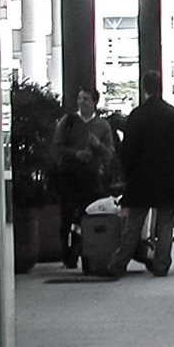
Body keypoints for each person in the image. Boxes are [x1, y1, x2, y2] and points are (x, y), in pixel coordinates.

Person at [118, 70, 174, 277]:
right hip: (167, 178)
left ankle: (118, 263)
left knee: (134, 224)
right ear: (160, 86)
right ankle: (161, 264)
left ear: (144, 87)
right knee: (165, 223)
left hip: (141, 178)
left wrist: (127, 175)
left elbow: (128, 150)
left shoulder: (137, 116)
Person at [53, 86, 119, 268]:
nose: (81, 102)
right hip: (68, 175)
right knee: (66, 215)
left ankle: (84, 251)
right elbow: (57, 147)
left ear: (94, 103)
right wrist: (75, 154)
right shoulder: (67, 122)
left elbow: (109, 154)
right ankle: (67, 254)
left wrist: (96, 145)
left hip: (91, 178)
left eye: (86, 99)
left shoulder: (102, 126)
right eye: (80, 98)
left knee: (88, 215)